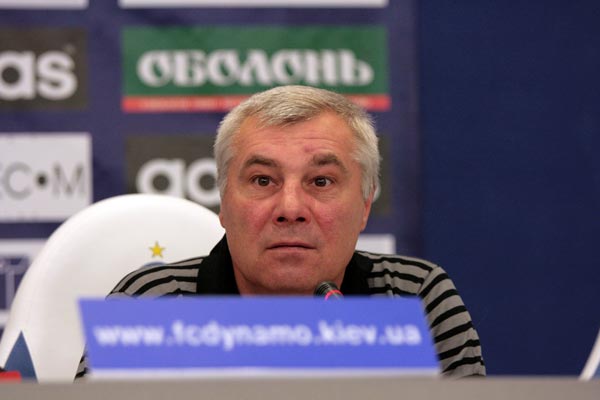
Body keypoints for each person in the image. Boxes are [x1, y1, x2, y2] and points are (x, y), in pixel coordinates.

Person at [76, 85, 485, 378]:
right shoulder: (151, 306)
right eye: (262, 180)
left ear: (364, 205)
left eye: (321, 182)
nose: (290, 209)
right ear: (223, 203)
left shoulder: (415, 299)